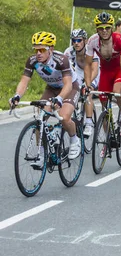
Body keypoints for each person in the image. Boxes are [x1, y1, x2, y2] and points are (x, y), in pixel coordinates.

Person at [9, 31, 82, 163]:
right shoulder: (32, 61)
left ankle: (74, 139)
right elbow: (24, 81)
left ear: (51, 49)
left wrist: (60, 99)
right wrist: (17, 96)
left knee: (64, 117)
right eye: (36, 49)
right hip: (51, 88)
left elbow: (67, 85)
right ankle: (42, 154)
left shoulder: (61, 60)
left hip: (70, 87)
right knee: (40, 120)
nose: (38, 53)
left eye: (42, 50)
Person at [84, 12, 121, 137]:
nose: (104, 31)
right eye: (101, 28)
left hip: (119, 70)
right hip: (105, 71)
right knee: (104, 106)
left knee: (117, 91)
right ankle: (107, 140)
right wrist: (88, 85)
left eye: (107, 28)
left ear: (111, 28)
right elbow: (87, 65)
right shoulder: (92, 41)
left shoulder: (120, 40)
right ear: (97, 29)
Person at [64, 29, 99, 138]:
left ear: (85, 40)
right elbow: (66, 70)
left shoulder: (91, 51)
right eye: (74, 40)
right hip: (79, 71)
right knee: (71, 89)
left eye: (79, 40)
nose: (76, 43)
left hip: (94, 71)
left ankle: (88, 122)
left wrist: (87, 83)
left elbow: (94, 70)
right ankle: (77, 110)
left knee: (87, 91)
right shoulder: (69, 52)